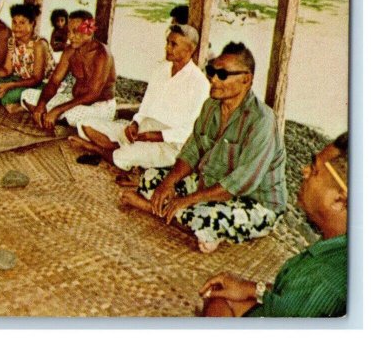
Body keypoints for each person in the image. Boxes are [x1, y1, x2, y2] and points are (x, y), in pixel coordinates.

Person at [119, 42, 287, 253]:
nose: (213, 79)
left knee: (204, 217)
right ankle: (189, 221)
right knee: (151, 178)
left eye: (222, 74)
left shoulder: (262, 120)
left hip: (255, 202)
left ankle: (151, 208)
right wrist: (169, 183)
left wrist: (186, 200)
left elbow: (242, 183)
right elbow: (193, 149)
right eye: (211, 71)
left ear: (246, 79)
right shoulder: (211, 106)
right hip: (212, 185)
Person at [199, 133, 348, 317]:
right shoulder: (340, 251)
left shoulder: (324, 281)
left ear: (339, 200)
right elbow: (293, 299)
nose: (304, 170)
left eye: (315, 169)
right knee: (220, 296)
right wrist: (254, 289)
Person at [72, 24, 209, 175]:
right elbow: (146, 106)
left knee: (126, 155)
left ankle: (98, 149)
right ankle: (119, 149)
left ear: (190, 49)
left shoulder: (200, 83)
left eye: (173, 44)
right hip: (145, 128)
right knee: (85, 124)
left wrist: (154, 136)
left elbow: (190, 131)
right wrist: (135, 124)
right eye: (167, 42)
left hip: (170, 142)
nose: (167, 48)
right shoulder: (161, 69)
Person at [22, 10, 116, 132]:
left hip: (100, 106)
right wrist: (41, 105)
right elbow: (54, 82)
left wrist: (58, 109)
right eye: (69, 32)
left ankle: (54, 117)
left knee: (73, 116)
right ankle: (48, 116)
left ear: (90, 31)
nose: (70, 36)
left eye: (75, 32)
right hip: (73, 100)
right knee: (27, 95)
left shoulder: (102, 54)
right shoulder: (70, 51)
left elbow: (93, 94)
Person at [0, 3, 55, 113]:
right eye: (14, 22)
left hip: (41, 84)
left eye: (22, 23)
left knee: (8, 97)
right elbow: (7, 70)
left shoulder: (39, 45)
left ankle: (24, 105)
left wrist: (10, 85)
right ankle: (19, 103)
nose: (17, 27)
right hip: (20, 79)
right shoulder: (12, 41)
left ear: (32, 24)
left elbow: (37, 78)